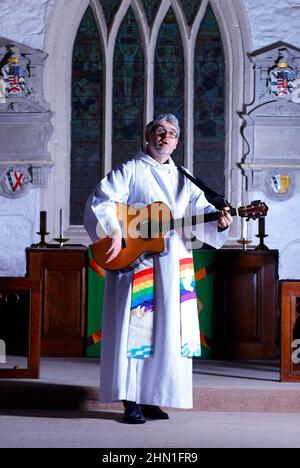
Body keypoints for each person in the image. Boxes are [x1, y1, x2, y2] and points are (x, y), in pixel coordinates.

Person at [84, 113, 233, 424]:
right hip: (139, 261)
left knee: (168, 331)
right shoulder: (132, 169)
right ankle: (131, 399)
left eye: (172, 134)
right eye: (160, 132)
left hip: (174, 260)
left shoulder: (185, 176)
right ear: (148, 137)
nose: (166, 137)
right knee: (137, 331)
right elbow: (102, 200)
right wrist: (114, 230)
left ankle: (154, 397)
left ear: (177, 142)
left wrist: (218, 220)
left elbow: (201, 208)